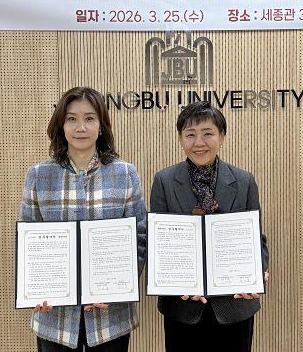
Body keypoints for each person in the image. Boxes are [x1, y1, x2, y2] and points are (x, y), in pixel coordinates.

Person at [19, 87, 147, 352]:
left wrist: (118, 287)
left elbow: (140, 238)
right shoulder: (39, 175)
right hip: (55, 317)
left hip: (110, 317)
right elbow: (29, 243)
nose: (81, 127)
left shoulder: (124, 174)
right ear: (61, 125)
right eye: (71, 119)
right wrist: (34, 289)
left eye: (89, 118)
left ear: (101, 126)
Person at [150, 101, 269, 352]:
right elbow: (158, 243)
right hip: (182, 307)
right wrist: (175, 281)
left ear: (222, 137)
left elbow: (255, 238)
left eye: (207, 133)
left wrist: (258, 272)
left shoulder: (244, 181)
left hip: (235, 305)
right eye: (190, 135)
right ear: (180, 139)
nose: (199, 142)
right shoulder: (164, 181)